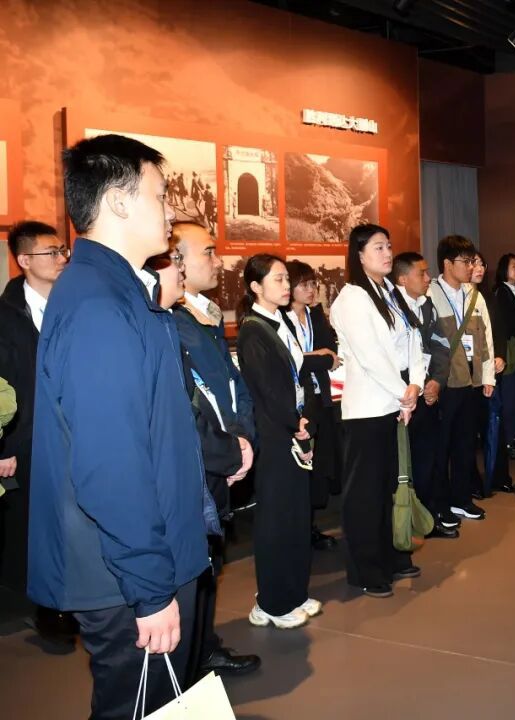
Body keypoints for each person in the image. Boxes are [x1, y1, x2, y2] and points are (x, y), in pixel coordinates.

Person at [29, 134, 207, 719]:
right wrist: (150, 589)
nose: (171, 209)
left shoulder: (117, 291)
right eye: (161, 194)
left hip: (145, 558)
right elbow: (111, 466)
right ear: (119, 201)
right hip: (126, 575)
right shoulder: (99, 306)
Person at [168, 222, 261, 679]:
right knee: (193, 565)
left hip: (223, 457)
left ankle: (203, 649)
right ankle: (186, 666)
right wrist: (229, 452)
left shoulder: (204, 316)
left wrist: (244, 439)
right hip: (198, 464)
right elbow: (188, 406)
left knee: (210, 562)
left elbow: (233, 384)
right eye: (208, 251)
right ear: (178, 261)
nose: (218, 260)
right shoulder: (171, 323)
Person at [330, 225, 423, 596]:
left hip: (395, 403)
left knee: (389, 486)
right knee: (365, 494)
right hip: (368, 408)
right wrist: (405, 393)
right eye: (378, 247)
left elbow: (413, 340)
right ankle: (366, 568)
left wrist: (415, 384)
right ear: (359, 254)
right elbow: (370, 357)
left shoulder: (390, 292)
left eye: (388, 246)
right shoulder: (351, 298)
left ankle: (392, 555)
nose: (387, 253)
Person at [0, 221, 80, 645]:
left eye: (63, 250)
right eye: (52, 252)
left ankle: (75, 598)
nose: (62, 258)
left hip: (77, 431)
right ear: (24, 260)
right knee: (37, 526)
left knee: (75, 519)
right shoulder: (6, 316)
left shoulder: (76, 305)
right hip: (29, 438)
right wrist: (5, 444)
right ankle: (48, 609)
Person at [236, 254, 318, 628]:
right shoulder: (252, 330)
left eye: (287, 279)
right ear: (256, 286)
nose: (287, 287)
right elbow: (267, 390)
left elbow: (297, 377)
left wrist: (304, 419)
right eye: (279, 280)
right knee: (276, 518)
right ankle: (272, 602)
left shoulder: (281, 320)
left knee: (296, 515)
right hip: (274, 435)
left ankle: (295, 592)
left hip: (294, 428)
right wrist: (294, 421)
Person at [427, 235, 495, 524]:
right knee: (440, 446)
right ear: (447, 263)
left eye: (472, 261)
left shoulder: (474, 295)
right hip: (444, 381)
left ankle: (462, 499)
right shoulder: (430, 294)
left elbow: (487, 337)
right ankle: (440, 504)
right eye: (465, 261)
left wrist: (488, 375)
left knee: (466, 443)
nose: (471, 267)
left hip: (472, 380)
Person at [391, 251, 456, 538]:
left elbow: (442, 346)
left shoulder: (427, 305)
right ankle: (401, 523)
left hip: (427, 394)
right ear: (403, 278)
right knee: (401, 464)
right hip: (400, 398)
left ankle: (426, 519)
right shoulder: (390, 308)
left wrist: (436, 382)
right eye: (422, 273)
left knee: (427, 458)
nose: (428, 278)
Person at [282, 260, 341, 551]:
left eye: (313, 284)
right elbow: (290, 362)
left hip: (321, 399)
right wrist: (317, 357)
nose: (311, 290)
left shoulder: (315, 315)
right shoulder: (280, 319)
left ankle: (311, 527)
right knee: (298, 468)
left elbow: (333, 353)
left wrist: (312, 356)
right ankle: (298, 531)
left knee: (319, 467)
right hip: (296, 403)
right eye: (304, 284)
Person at [469, 252, 511, 496]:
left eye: (482, 263)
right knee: (469, 429)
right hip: (468, 371)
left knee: (494, 424)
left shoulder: (489, 296)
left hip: (492, 369)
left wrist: (501, 356)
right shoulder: (458, 296)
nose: (479, 268)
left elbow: (500, 332)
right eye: (473, 263)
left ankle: (498, 476)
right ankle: (473, 481)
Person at [493, 253, 515, 459]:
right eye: (513, 266)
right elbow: (508, 322)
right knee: (510, 396)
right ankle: (509, 440)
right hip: (509, 350)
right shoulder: (501, 292)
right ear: (503, 269)